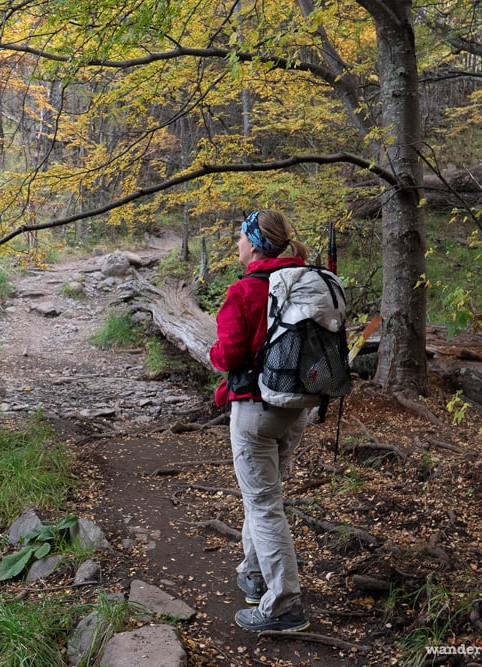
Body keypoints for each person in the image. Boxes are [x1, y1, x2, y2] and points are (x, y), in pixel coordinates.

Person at [208, 208, 313, 633]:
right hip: (297, 406)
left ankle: (285, 604)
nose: (236, 243)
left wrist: (215, 355)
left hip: (254, 410)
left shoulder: (244, 291)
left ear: (253, 243)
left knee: (264, 506)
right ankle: (254, 575)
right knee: (264, 499)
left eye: (240, 236)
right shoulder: (305, 281)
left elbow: (228, 355)